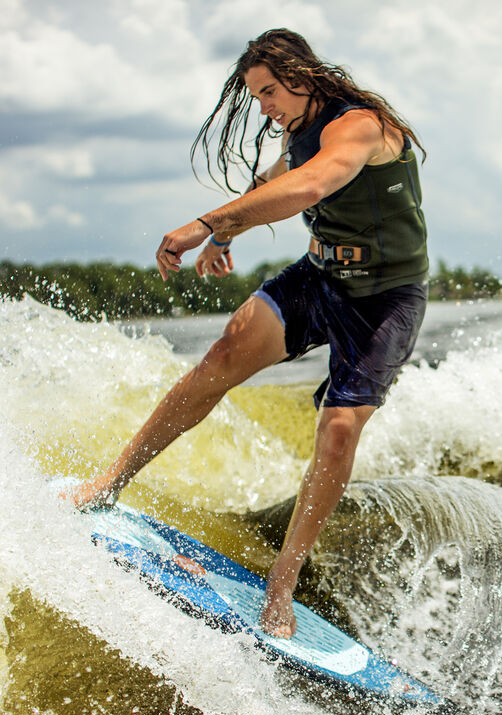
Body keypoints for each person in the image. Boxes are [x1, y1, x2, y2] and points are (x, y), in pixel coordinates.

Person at [66, 28, 429, 639]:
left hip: (385, 299)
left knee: (339, 430)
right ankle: (109, 482)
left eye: (268, 92)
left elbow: (311, 186)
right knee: (221, 357)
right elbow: (274, 181)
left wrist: (202, 224)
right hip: (320, 277)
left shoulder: (360, 127)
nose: (263, 106)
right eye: (256, 96)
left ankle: (282, 583)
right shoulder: (299, 132)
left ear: (302, 75)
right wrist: (225, 238)